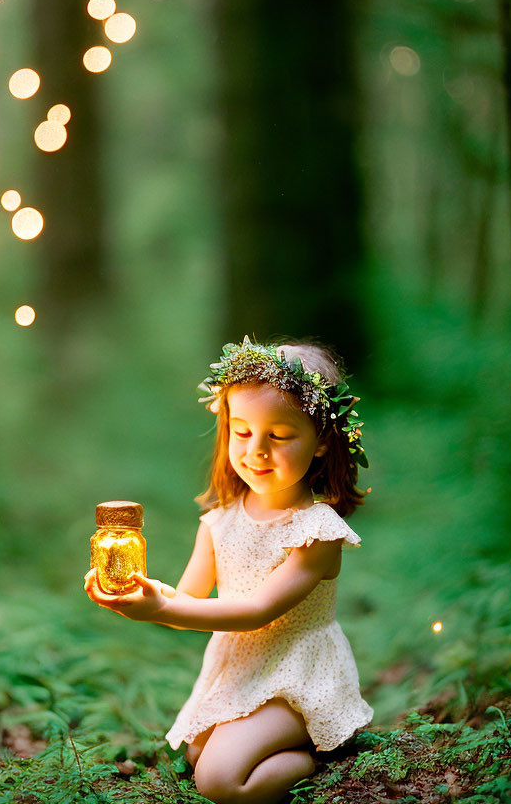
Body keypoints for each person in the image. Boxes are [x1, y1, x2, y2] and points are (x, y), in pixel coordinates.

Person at [84, 336, 374, 804]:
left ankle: (309, 760)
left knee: (217, 780)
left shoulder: (317, 531)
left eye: (279, 436)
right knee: (198, 754)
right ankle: (269, 744)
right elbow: (190, 600)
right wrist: (141, 597)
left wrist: (157, 607)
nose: (256, 450)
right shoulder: (221, 520)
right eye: (242, 431)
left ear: (321, 441)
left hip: (296, 673)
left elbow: (258, 610)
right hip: (240, 669)